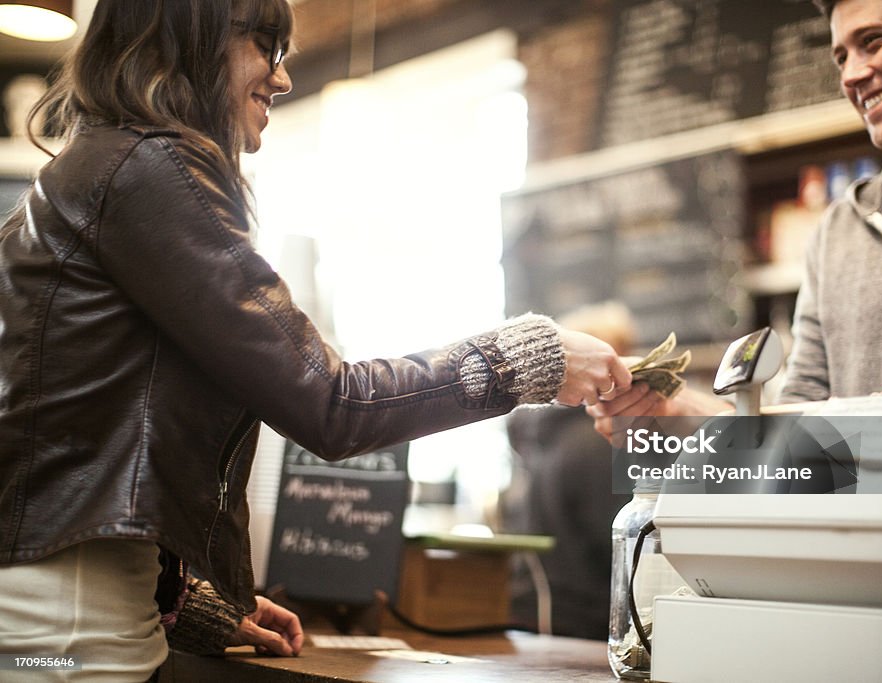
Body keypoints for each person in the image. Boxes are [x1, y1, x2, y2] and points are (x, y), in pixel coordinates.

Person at [0, 2, 633, 680]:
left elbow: (85, 426)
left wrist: (180, 600)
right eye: (263, 44)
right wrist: (530, 357)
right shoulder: (150, 168)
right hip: (68, 629)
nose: (281, 78)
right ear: (191, 34)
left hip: (61, 611)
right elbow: (333, 403)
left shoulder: (101, 170)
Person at [591, 0, 882, 436]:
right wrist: (681, 410)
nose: (851, 75)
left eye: (872, 42)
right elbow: (801, 419)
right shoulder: (840, 230)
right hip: (860, 507)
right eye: (842, 56)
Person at [502, 302, 634, 640]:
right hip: (588, 624)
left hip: (526, 614)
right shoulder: (603, 441)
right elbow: (622, 549)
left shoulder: (535, 436)